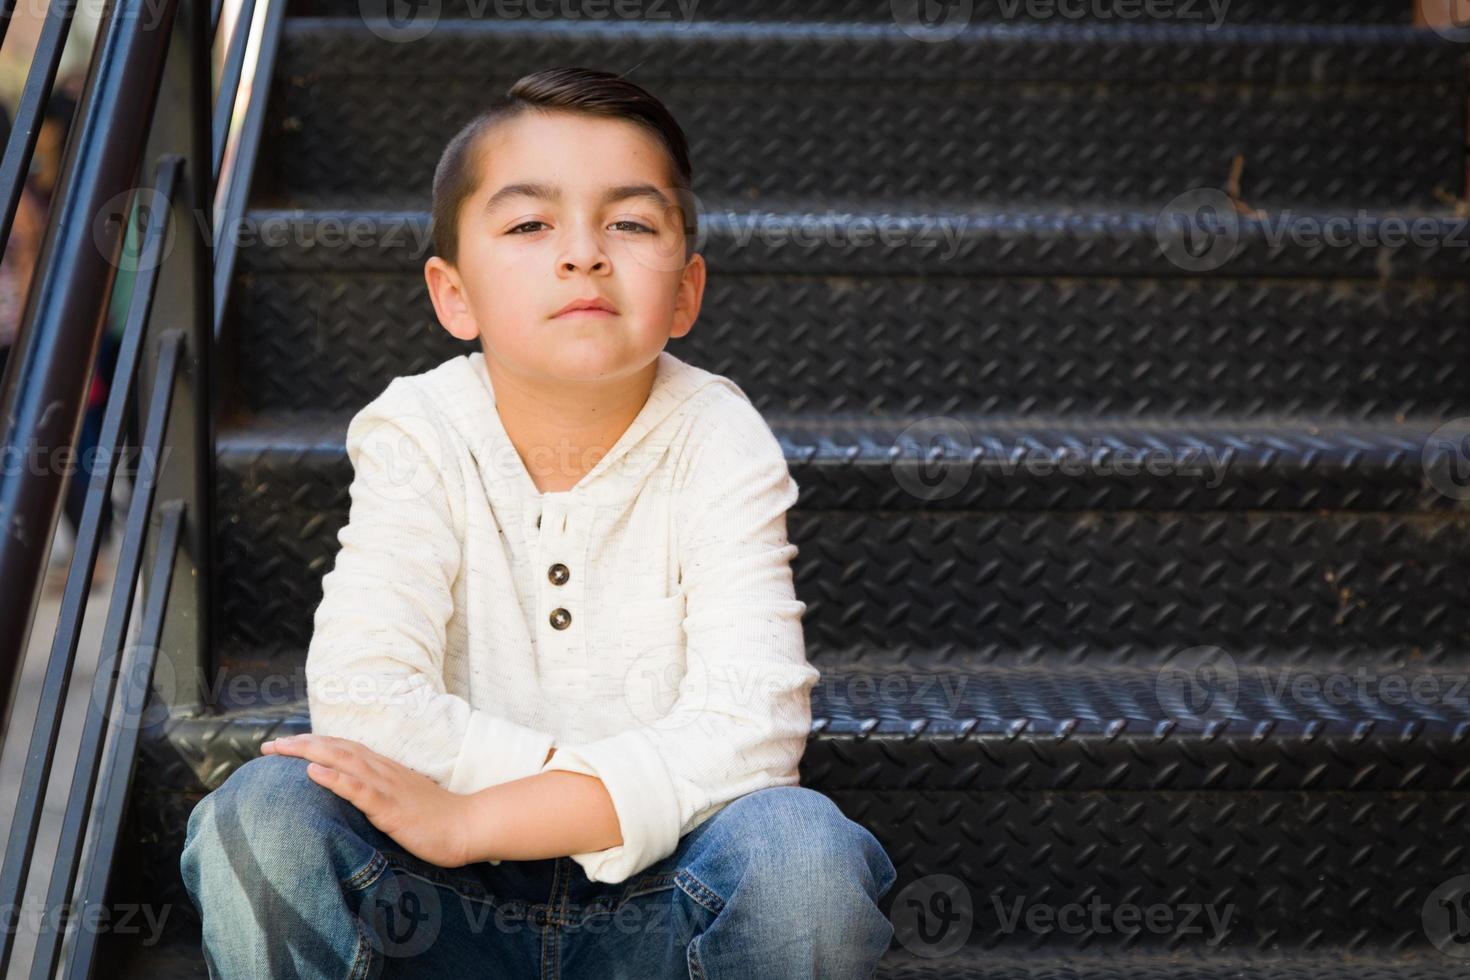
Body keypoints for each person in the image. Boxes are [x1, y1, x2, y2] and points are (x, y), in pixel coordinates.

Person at [179, 67, 897, 978]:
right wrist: (522, 812)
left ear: (686, 291)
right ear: (453, 295)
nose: (584, 254)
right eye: (529, 225)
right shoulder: (419, 429)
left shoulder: (719, 435)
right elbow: (365, 699)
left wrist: (476, 816)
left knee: (800, 852)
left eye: (630, 223)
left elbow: (753, 732)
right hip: (433, 903)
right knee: (265, 810)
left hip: (668, 894)